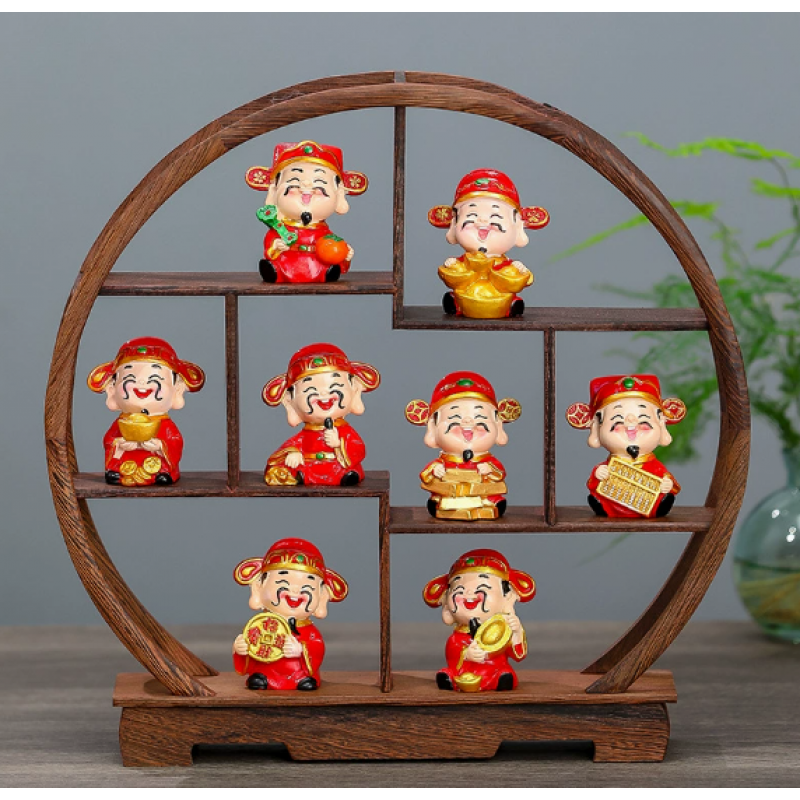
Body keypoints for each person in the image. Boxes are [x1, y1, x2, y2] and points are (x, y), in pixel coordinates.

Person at [427, 168, 549, 318]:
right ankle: (456, 304)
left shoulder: (506, 265)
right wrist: (452, 264)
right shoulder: (466, 261)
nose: (483, 221)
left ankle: (510, 306)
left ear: (517, 226)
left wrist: (519, 269)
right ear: (454, 224)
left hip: (500, 297)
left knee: (510, 277)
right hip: (465, 294)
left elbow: (524, 279)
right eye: (472, 214)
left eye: (496, 216)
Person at [232, 538, 348, 691]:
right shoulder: (260, 625)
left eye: (308, 585)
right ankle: (262, 678)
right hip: (267, 670)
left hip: (298, 673)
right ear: (259, 587)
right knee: (259, 676)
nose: (295, 590)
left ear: (321, 596)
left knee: (305, 681)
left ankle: (302, 679)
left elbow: (316, 647)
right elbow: (253, 644)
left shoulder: (308, 631)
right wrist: (241, 649)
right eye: (283, 580)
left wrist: (300, 649)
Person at [87, 337, 205, 486]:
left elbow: (175, 441)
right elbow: (109, 440)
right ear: (113, 390)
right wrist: (120, 444)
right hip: (126, 462)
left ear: (176, 390)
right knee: (117, 469)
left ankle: (164, 473)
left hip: (157, 462)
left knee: (163, 472)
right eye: (130, 377)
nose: (142, 383)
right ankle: (116, 472)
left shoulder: (164, 424)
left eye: (155, 378)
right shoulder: (122, 422)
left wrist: (159, 446)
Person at [245, 140, 368, 283]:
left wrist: (344, 256)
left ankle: (327, 273)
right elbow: (270, 242)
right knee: (274, 267)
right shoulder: (280, 228)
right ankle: (274, 272)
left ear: (338, 194)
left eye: (320, 183)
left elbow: (332, 248)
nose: (306, 185)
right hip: (285, 263)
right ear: (274, 190)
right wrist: (276, 247)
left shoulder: (324, 232)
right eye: (294, 180)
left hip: (317, 267)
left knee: (330, 266)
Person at [565, 374, 687, 518]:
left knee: (661, 497)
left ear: (660, 423)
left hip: (647, 501)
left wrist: (667, 484)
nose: (631, 421)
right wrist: (599, 474)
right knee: (600, 494)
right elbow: (593, 481)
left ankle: (658, 507)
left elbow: (665, 476)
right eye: (618, 419)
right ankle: (605, 507)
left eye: (643, 418)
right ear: (598, 426)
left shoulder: (653, 465)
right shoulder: (608, 466)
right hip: (614, 499)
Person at [405, 371, 521, 520]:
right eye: (454, 417)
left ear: (498, 425)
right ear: (433, 427)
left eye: (480, 417)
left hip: (482, 494)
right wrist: (435, 470)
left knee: (490, 499)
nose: (468, 422)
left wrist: (489, 469)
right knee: (441, 499)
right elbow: (426, 474)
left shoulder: (487, 461)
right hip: (450, 495)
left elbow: (499, 472)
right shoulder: (444, 461)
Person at [262, 343, 380, 486]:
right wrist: (293, 453)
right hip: (310, 467)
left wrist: (338, 444)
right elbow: (291, 446)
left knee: (349, 472)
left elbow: (359, 449)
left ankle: (347, 477)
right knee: (291, 470)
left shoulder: (344, 431)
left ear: (353, 390)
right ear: (291, 400)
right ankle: (300, 476)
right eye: (310, 390)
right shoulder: (306, 433)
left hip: (337, 468)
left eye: (335, 386)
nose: (324, 394)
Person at [423, 548, 535, 692]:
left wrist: (516, 632)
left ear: (506, 596)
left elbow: (517, 655)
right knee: (451, 672)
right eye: (459, 589)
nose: (469, 594)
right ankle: (450, 679)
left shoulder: (501, 629)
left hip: (493, 669)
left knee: (503, 673)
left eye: (483, 587)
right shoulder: (459, 636)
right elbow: (453, 649)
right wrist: (466, 654)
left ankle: (501, 679)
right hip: (464, 671)